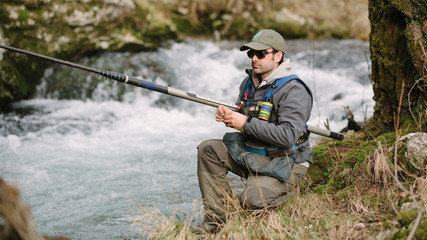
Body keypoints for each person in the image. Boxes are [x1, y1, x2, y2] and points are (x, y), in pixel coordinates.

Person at [193, 29, 313, 234]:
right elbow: (246, 118)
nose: (254, 59)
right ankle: (216, 222)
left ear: (278, 56)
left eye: (260, 54)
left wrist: (245, 122)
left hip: (287, 160)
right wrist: (229, 116)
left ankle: (289, 191)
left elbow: (287, 136)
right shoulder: (249, 82)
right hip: (255, 153)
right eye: (250, 54)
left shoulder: (294, 89)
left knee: (251, 202)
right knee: (208, 150)